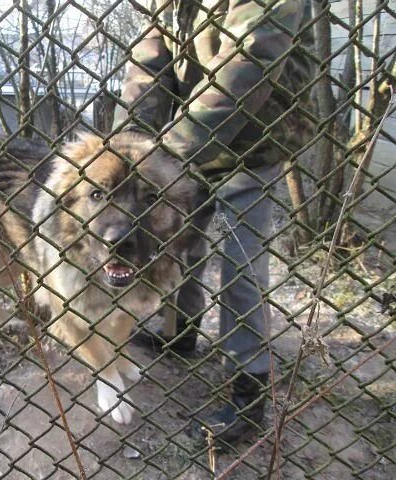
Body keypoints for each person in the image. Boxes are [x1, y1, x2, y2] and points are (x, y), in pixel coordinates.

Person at [113, 0, 314, 447]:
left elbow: (252, 60)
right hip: (185, 139)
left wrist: (170, 146)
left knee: (241, 264)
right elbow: (147, 65)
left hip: (256, 138)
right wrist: (133, 143)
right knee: (179, 240)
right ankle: (179, 331)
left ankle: (249, 391)